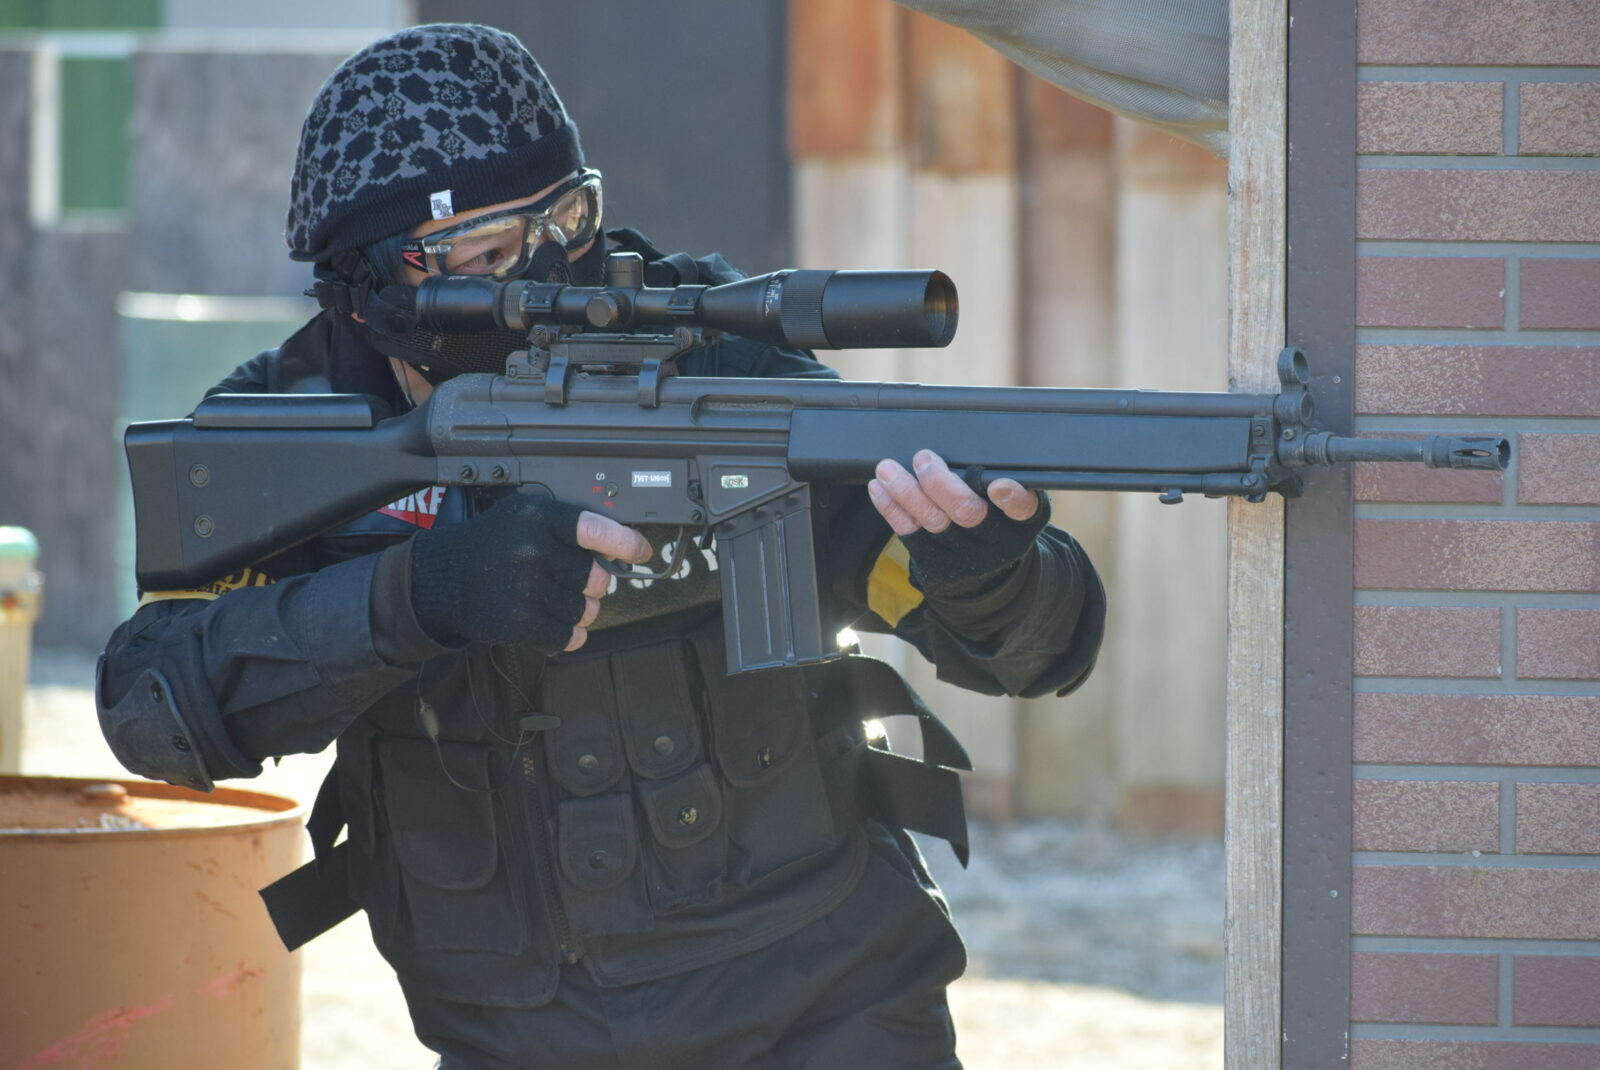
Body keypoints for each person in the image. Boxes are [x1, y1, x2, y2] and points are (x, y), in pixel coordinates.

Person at [96, 23, 1105, 1069]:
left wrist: (985, 578)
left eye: (567, 218)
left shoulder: (714, 363)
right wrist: (420, 596)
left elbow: (1034, 652)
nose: (550, 268)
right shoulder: (298, 420)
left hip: (827, 1005)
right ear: (370, 284)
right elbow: (150, 708)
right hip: (514, 1035)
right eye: (488, 252)